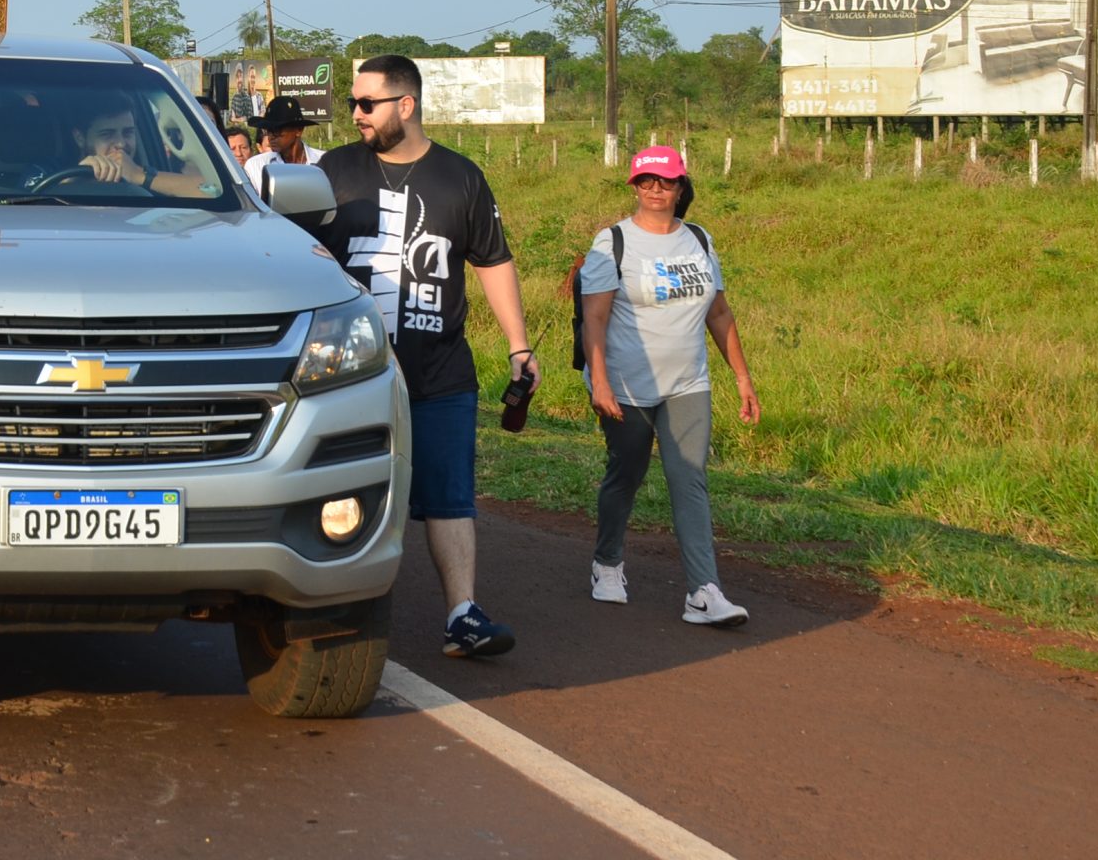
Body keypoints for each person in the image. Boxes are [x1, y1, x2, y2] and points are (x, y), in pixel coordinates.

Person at [303, 53, 535, 660]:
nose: (355, 114)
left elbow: (492, 263)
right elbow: (295, 254)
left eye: (367, 103)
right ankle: (330, 608)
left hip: (440, 371)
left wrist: (519, 347)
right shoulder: (334, 171)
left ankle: (462, 613)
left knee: (452, 496)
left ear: (406, 105)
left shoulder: (460, 177)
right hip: (352, 376)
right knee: (342, 487)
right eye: (352, 102)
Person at [579, 145, 761, 627]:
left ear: (681, 187)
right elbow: (593, 319)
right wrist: (599, 381)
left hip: (688, 382)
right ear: (635, 186)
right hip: (626, 385)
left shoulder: (699, 239)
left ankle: (704, 591)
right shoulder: (612, 241)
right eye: (646, 181)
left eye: (666, 181)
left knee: (690, 479)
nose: (656, 190)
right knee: (627, 472)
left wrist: (742, 377)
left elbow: (719, 313)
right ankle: (608, 563)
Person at [68, 103, 220, 199]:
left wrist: (138, 175)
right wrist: (72, 178)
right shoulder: (51, 175)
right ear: (80, 138)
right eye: (107, 134)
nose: (121, 143)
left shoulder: (154, 174)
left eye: (128, 133)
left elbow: (215, 191)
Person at [242, 97, 325, 182]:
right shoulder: (257, 166)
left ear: (299, 130)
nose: (271, 136)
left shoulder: (324, 162)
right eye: (268, 130)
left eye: (277, 130)